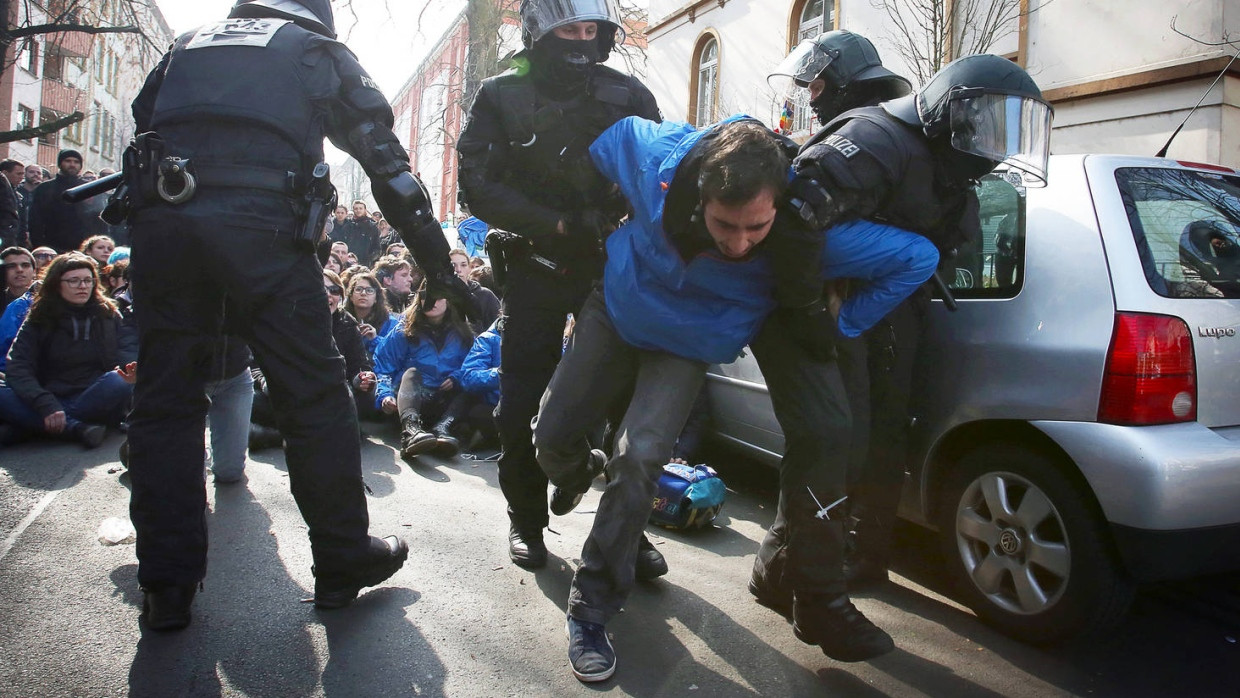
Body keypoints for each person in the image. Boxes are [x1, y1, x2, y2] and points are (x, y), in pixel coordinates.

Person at [122, 0, 473, 632]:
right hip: (267, 240)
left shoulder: (186, 46)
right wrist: (440, 269)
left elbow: (143, 126)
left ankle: (166, 583)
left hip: (167, 227)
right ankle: (341, 559)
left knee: (164, 400)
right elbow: (390, 172)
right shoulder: (313, 51)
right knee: (314, 396)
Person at [747, 52, 1052, 657]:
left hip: (845, 314)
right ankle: (819, 600)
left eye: (1008, 129)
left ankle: (781, 574)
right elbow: (792, 222)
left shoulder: (945, 169)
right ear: (947, 110)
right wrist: (813, 318)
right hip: (801, 301)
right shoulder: (876, 138)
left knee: (848, 447)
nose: (994, 142)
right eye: (987, 122)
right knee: (833, 443)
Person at [456, 0, 662, 572]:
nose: (581, 40)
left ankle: (627, 530)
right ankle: (526, 518)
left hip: (609, 264)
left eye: (590, 29)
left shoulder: (625, 93)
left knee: (625, 396)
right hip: (535, 263)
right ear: (541, 32)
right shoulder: (501, 93)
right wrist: (556, 223)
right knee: (522, 395)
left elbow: (660, 161)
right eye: (569, 29)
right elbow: (475, 183)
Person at [0, 253, 136, 448]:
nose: (83, 286)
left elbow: (125, 352)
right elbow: (17, 366)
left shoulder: (108, 314)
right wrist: (45, 404)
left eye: (88, 280)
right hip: (48, 396)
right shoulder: (38, 318)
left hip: (93, 394)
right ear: (57, 284)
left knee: (119, 380)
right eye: (74, 281)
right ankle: (76, 428)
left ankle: (29, 426)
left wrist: (131, 372)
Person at [373, 282, 474, 459]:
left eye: (438, 297)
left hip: (444, 401)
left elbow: (473, 366)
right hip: (411, 400)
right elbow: (382, 367)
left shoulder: (463, 332)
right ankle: (411, 432)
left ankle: (443, 429)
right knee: (412, 373)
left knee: (472, 388)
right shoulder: (403, 330)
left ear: (449, 300)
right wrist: (384, 395)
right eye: (426, 296)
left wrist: (457, 377)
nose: (431, 301)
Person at [324, 269, 378, 419]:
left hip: (337, 389)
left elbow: (360, 365)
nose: (328, 294)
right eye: (321, 289)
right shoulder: (293, 319)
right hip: (298, 389)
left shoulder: (347, 323)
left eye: (333, 290)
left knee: (366, 398)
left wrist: (363, 378)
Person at [345, 271, 397, 356]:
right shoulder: (342, 320)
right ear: (351, 296)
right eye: (358, 289)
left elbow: (393, 354)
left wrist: (375, 339)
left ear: (376, 298)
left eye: (369, 290)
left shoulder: (391, 323)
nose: (363, 293)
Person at [450, 248, 499, 332]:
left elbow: (497, 329)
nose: (458, 270)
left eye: (463, 265)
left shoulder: (486, 295)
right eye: (453, 265)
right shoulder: (439, 296)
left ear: (469, 268)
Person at [330, 200, 382, 267]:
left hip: (366, 262)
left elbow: (377, 247)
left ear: (365, 209)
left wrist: (370, 259)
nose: (358, 210)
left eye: (360, 208)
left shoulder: (372, 226)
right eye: (356, 208)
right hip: (349, 260)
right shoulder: (348, 225)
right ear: (353, 210)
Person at [1, 246, 36, 312]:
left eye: (25, 265)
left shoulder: (49, 298)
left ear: (34, 271)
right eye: (12, 266)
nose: (19, 270)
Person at [0, 159, 26, 249]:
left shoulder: (17, 193)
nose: (22, 177)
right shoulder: (4, 191)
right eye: (19, 174)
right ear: (5, 173)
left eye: (23, 174)